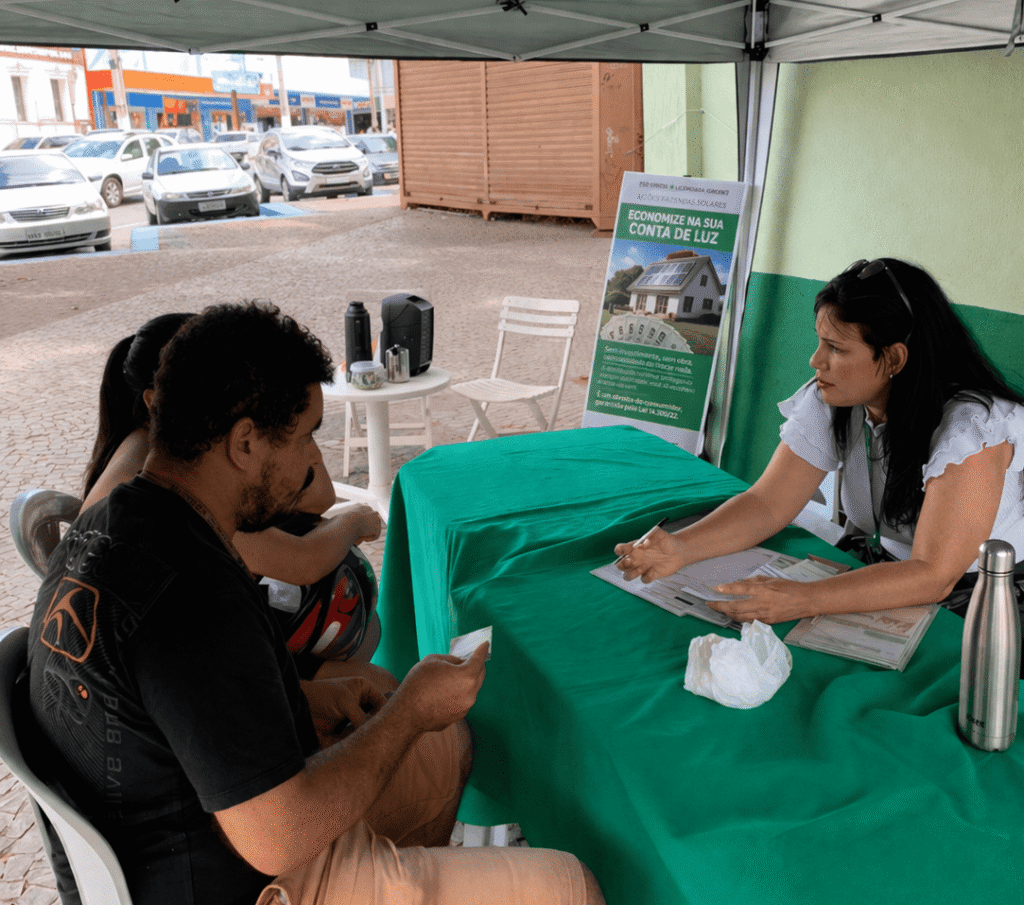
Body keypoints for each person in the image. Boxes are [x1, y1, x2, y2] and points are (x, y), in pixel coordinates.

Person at [27, 302, 605, 905]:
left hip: (188, 828)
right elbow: (275, 839)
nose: (312, 462)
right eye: (305, 436)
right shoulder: (194, 596)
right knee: (569, 886)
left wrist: (304, 697)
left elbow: (170, 704)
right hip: (245, 875)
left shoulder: (118, 524)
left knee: (443, 745)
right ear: (245, 442)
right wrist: (408, 710)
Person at [616, 257, 1024, 626]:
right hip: (881, 570)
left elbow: (934, 574)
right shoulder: (833, 397)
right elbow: (767, 503)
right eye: (820, 341)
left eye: (836, 348)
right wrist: (680, 548)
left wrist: (805, 599)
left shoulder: (973, 430)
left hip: (980, 597)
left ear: (895, 359)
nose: (816, 360)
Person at [81, 312, 380, 589]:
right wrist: (353, 520)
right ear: (157, 400)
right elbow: (301, 562)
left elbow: (319, 496)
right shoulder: (167, 484)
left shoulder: (151, 447)